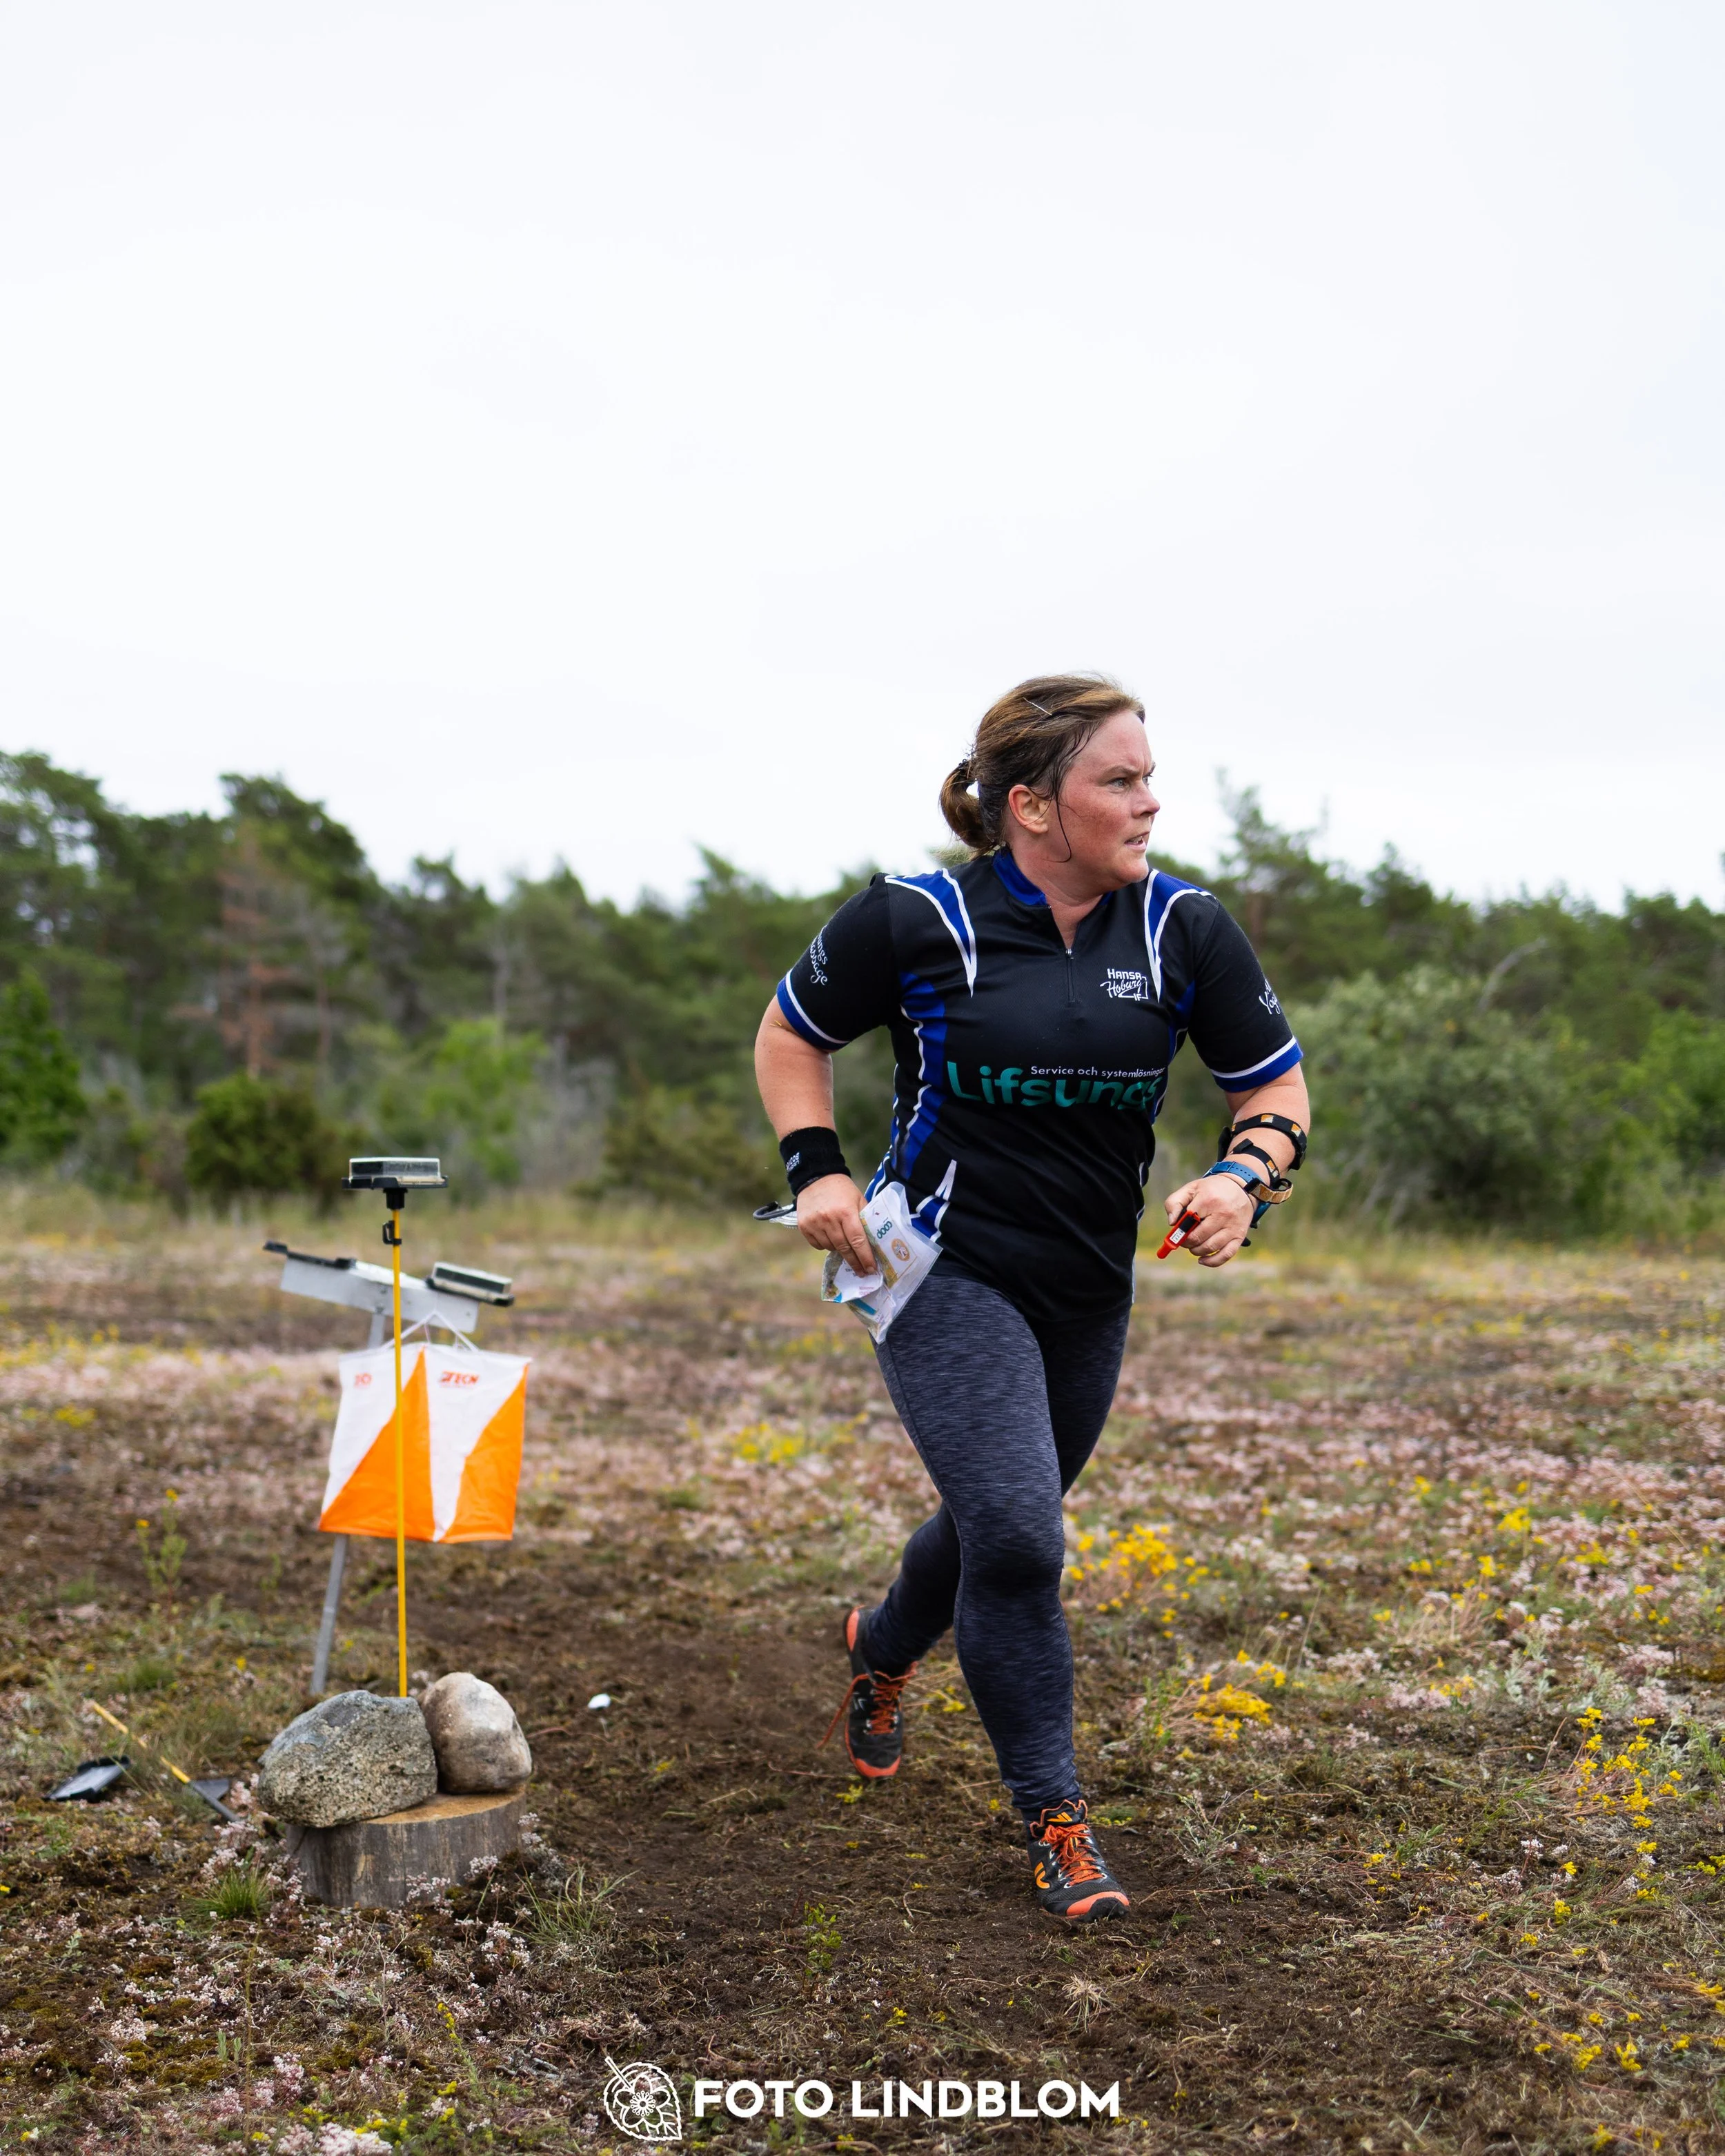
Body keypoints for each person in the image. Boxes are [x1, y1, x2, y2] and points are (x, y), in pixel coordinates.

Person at [753, 674, 1310, 1924]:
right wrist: (818, 1169)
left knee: (997, 1516)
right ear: (1032, 805)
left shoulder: (1183, 931)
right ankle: (1056, 1820)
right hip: (940, 1272)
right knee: (1018, 1536)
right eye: (1120, 780)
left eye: (1150, 776)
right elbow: (791, 1038)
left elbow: (1273, 1090)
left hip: (1085, 1290)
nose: (1150, 802)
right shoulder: (917, 919)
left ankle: (882, 1646)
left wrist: (1243, 1180)